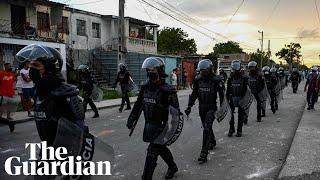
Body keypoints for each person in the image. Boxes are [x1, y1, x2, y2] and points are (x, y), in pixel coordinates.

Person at [16, 44, 94, 171]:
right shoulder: (39, 92)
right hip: (47, 152)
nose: (31, 69)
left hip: (66, 155)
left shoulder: (66, 93)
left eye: (36, 66)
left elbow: (80, 130)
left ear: (50, 68)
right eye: (30, 65)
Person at [127, 57, 180, 180]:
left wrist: (173, 129)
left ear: (160, 71)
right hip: (149, 125)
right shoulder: (145, 87)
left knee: (152, 152)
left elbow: (175, 113)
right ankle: (172, 166)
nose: (150, 72)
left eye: (153, 69)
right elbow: (139, 104)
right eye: (148, 70)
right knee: (160, 148)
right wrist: (132, 118)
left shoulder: (168, 90)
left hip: (162, 126)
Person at [185, 59, 224, 164]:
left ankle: (204, 153)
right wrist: (189, 106)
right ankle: (212, 141)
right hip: (201, 108)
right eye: (201, 71)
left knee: (206, 128)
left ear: (209, 69)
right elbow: (194, 94)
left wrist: (222, 108)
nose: (203, 73)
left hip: (212, 107)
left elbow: (222, 95)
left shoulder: (216, 80)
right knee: (206, 126)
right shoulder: (198, 80)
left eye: (204, 71)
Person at [226, 60, 249, 137]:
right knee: (230, 114)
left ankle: (239, 130)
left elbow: (247, 89)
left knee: (240, 115)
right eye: (234, 67)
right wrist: (226, 97)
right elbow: (228, 89)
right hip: (232, 97)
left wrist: (245, 99)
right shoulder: (230, 78)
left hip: (241, 97)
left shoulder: (244, 77)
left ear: (239, 67)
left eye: (236, 67)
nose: (235, 69)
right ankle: (231, 129)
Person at [0, 63, 16, 132]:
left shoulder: (12, 74)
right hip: (3, 93)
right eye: (9, 66)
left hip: (10, 93)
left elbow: (13, 81)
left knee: (9, 106)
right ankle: (3, 118)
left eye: (10, 66)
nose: (10, 67)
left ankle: (8, 117)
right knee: (2, 107)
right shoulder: (1, 73)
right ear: (5, 66)